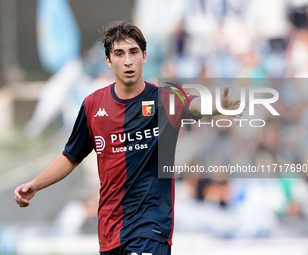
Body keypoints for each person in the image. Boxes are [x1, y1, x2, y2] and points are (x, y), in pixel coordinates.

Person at [14, 21, 241, 255]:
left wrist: (219, 106)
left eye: (133, 52)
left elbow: (194, 106)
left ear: (144, 56)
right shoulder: (93, 105)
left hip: (151, 228)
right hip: (110, 231)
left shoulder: (163, 99)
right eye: (119, 54)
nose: (128, 60)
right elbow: (71, 156)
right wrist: (36, 184)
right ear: (108, 61)